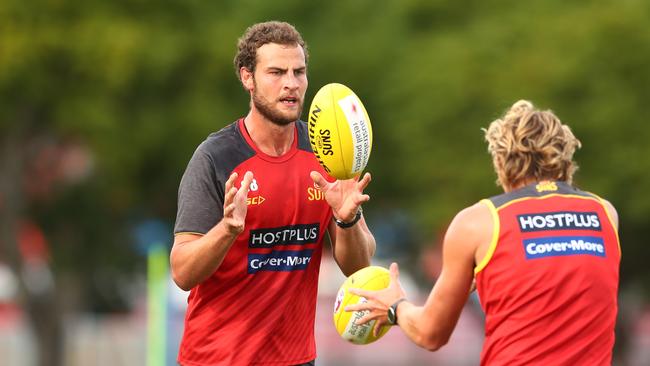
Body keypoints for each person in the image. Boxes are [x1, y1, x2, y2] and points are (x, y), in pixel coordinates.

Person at [347, 100, 620, 365]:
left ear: (501, 159)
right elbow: (561, 280)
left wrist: (396, 306)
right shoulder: (605, 214)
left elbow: (430, 333)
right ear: (565, 155)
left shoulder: (479, 223)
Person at [170, 21, 376, 366]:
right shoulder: (217, 158)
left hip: (296, 359)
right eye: (277, 72)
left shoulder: (326, 152)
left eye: (299, 72)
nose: (291, 84)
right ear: (247, 77)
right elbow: (182, 273)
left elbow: (359, 266)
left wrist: (347, 219)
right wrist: (227, 230)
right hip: (216, 359)